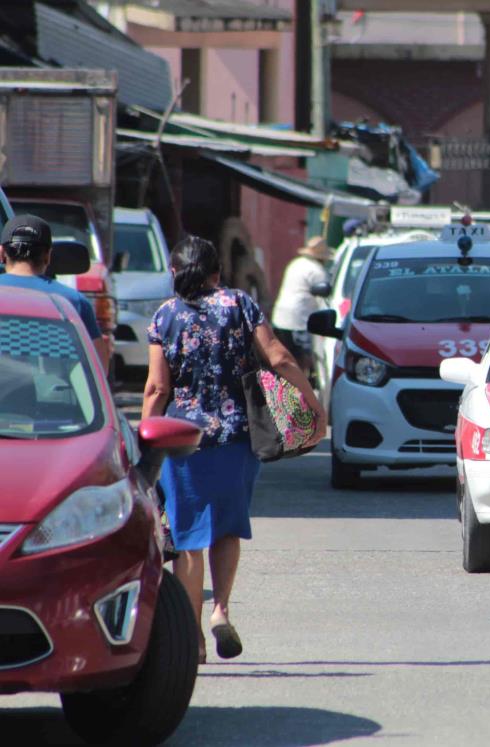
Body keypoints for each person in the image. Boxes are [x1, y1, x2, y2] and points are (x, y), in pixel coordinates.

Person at [143, 236, 326, 663]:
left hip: (181, 440)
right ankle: (220, 610)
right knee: (226, 528)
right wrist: (311, 401)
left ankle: (193, 641)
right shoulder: (239, 304)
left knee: (188, 539)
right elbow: (278, 357)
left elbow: (156, 387)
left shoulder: (164, 316)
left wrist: (143, 440)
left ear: (174, 274)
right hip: (236, 436)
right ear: (217, 273)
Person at [0, 214, 110, 371]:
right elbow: (99, 368)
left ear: (2, 253)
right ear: (48, 255)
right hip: (55, 394)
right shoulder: (74, 302)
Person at [272, 236, 331, 379]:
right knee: (301, 360)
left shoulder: (295, 263)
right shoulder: (318, 272)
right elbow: (323, 301)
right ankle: (301, 389)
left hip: (280, 316)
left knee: (283, 359)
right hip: (299, 320)